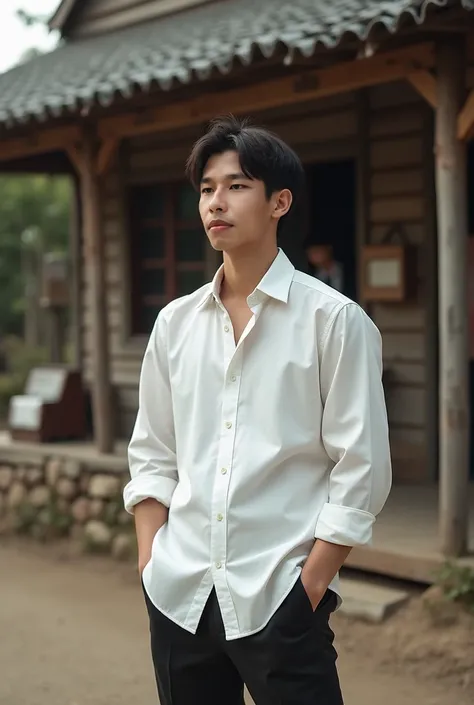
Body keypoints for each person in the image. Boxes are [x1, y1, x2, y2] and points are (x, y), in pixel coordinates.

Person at [124, 116, 392, 705]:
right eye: (206, 189)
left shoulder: (335, 322)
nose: (216, 203)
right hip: (180, 595)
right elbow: (152, 453)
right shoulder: (174, 324)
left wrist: (310, 589)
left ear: (280, 202)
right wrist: (152, 562)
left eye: (237, 186)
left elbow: (361, 468)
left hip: (281, 599)